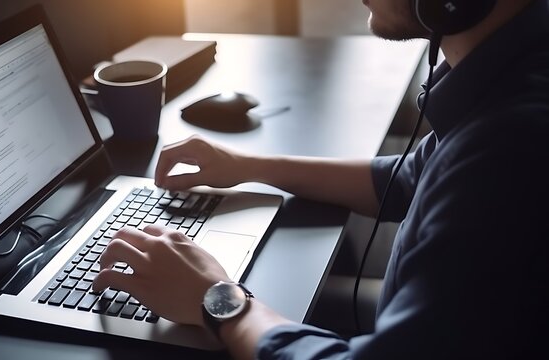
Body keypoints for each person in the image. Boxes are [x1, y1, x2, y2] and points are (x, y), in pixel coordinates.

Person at [93, 0, 549, 358]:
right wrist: (248, 166)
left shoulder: (509, 148)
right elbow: (408, 180)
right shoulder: (510, 77)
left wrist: (218, 299)